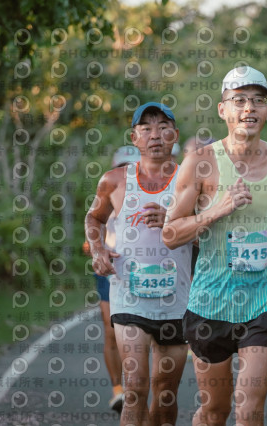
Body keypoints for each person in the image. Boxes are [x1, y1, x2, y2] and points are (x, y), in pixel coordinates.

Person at [162, 66, 267, 426]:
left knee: (249, 410)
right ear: (223, 109)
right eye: (239, 100)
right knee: (215, 412)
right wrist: (218, 209)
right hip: (210, 301)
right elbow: (171, 233)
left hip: (265, 297)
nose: (249, 108)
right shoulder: (200, 162)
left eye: (258, 100)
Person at [85, 102, 192, 426]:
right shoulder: (114, 180)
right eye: (146, 128)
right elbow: (94, 217)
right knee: (134, 389)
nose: (155, 135)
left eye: (163, 127)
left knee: (165, 393)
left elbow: (210, 231)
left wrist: (173, 223)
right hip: (129, 296)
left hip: (177, 301)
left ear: (175, 134)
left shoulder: (193, 181)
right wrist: (98, 249)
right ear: (134, 137)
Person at [82, 146, 140, 413]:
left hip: (146, 271)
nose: (127, 170)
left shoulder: (154, 192)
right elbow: (93, 227)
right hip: (111, 270)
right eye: (122, 166)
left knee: (148, 332)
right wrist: (96, 249)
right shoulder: (108, 190)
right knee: (111, 329)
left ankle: (142, 388)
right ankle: (118, 390)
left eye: (132, 165)